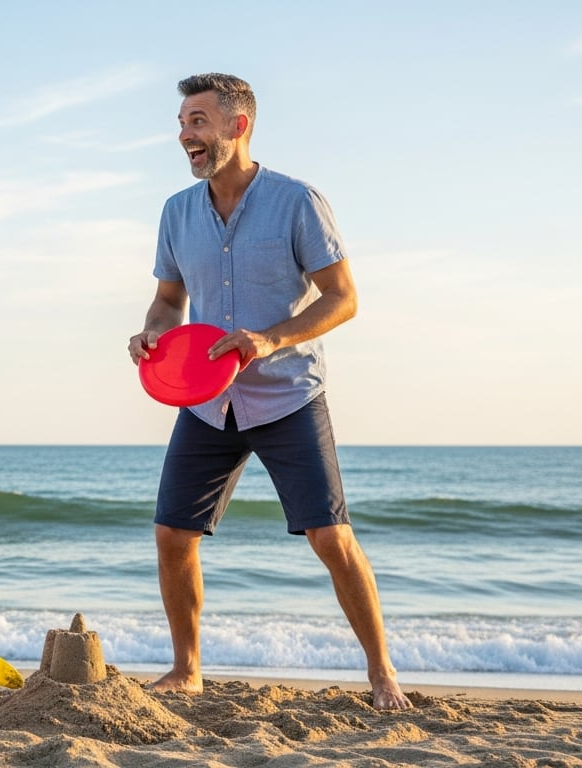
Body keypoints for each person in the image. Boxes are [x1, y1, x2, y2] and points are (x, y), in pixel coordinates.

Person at [127, 73, 412, 710]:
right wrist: (151, 335)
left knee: (331, 538)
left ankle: (382, 672)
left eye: (197, 122)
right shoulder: (177, 212)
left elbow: (344, 300)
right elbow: (168, 300)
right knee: (173, 534)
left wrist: (268, 340)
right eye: (181, 123)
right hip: (207, 401)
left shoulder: (297, 201)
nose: (184, 136)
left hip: (287, 395)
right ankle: (187, 668)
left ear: (238, 125)